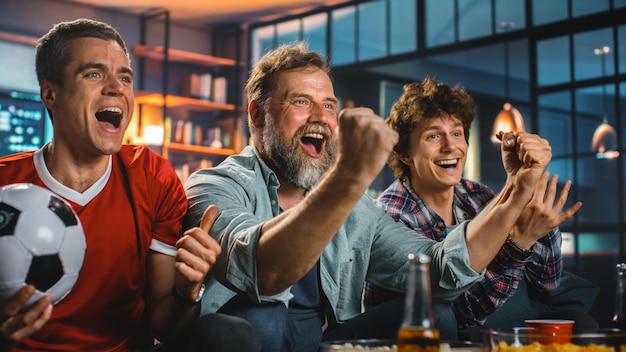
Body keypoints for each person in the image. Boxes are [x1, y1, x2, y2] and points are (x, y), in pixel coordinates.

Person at [183, 41, 553, 351]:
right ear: (258, 114)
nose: (321, 117)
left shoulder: (355, 207)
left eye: (328, 105)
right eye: (300, 102)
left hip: (326, 343)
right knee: (265, 317)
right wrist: (350, 172)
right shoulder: (215, 187)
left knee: (433, 315)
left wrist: (516, 188)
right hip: (253, 340)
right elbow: (266, 275)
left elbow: (441, 270)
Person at [0, 18, 260, 352]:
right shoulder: (6, 186)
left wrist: (187, 291)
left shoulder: (153, 177)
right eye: (94, 74)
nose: (116, 88)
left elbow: (165, 326)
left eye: (125, 77)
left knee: (230, 334)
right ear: (50, 93)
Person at [362, 77, 583, 330]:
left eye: (456, 133)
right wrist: (518, 243)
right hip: (432, 334)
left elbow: (547, 284)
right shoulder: (392, 214)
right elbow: (458, 318)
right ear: (404, 154)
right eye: (433, 136)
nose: (450, 147)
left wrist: (525, 189)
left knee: (578, 317)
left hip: (494, 320)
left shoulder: (477, 196)